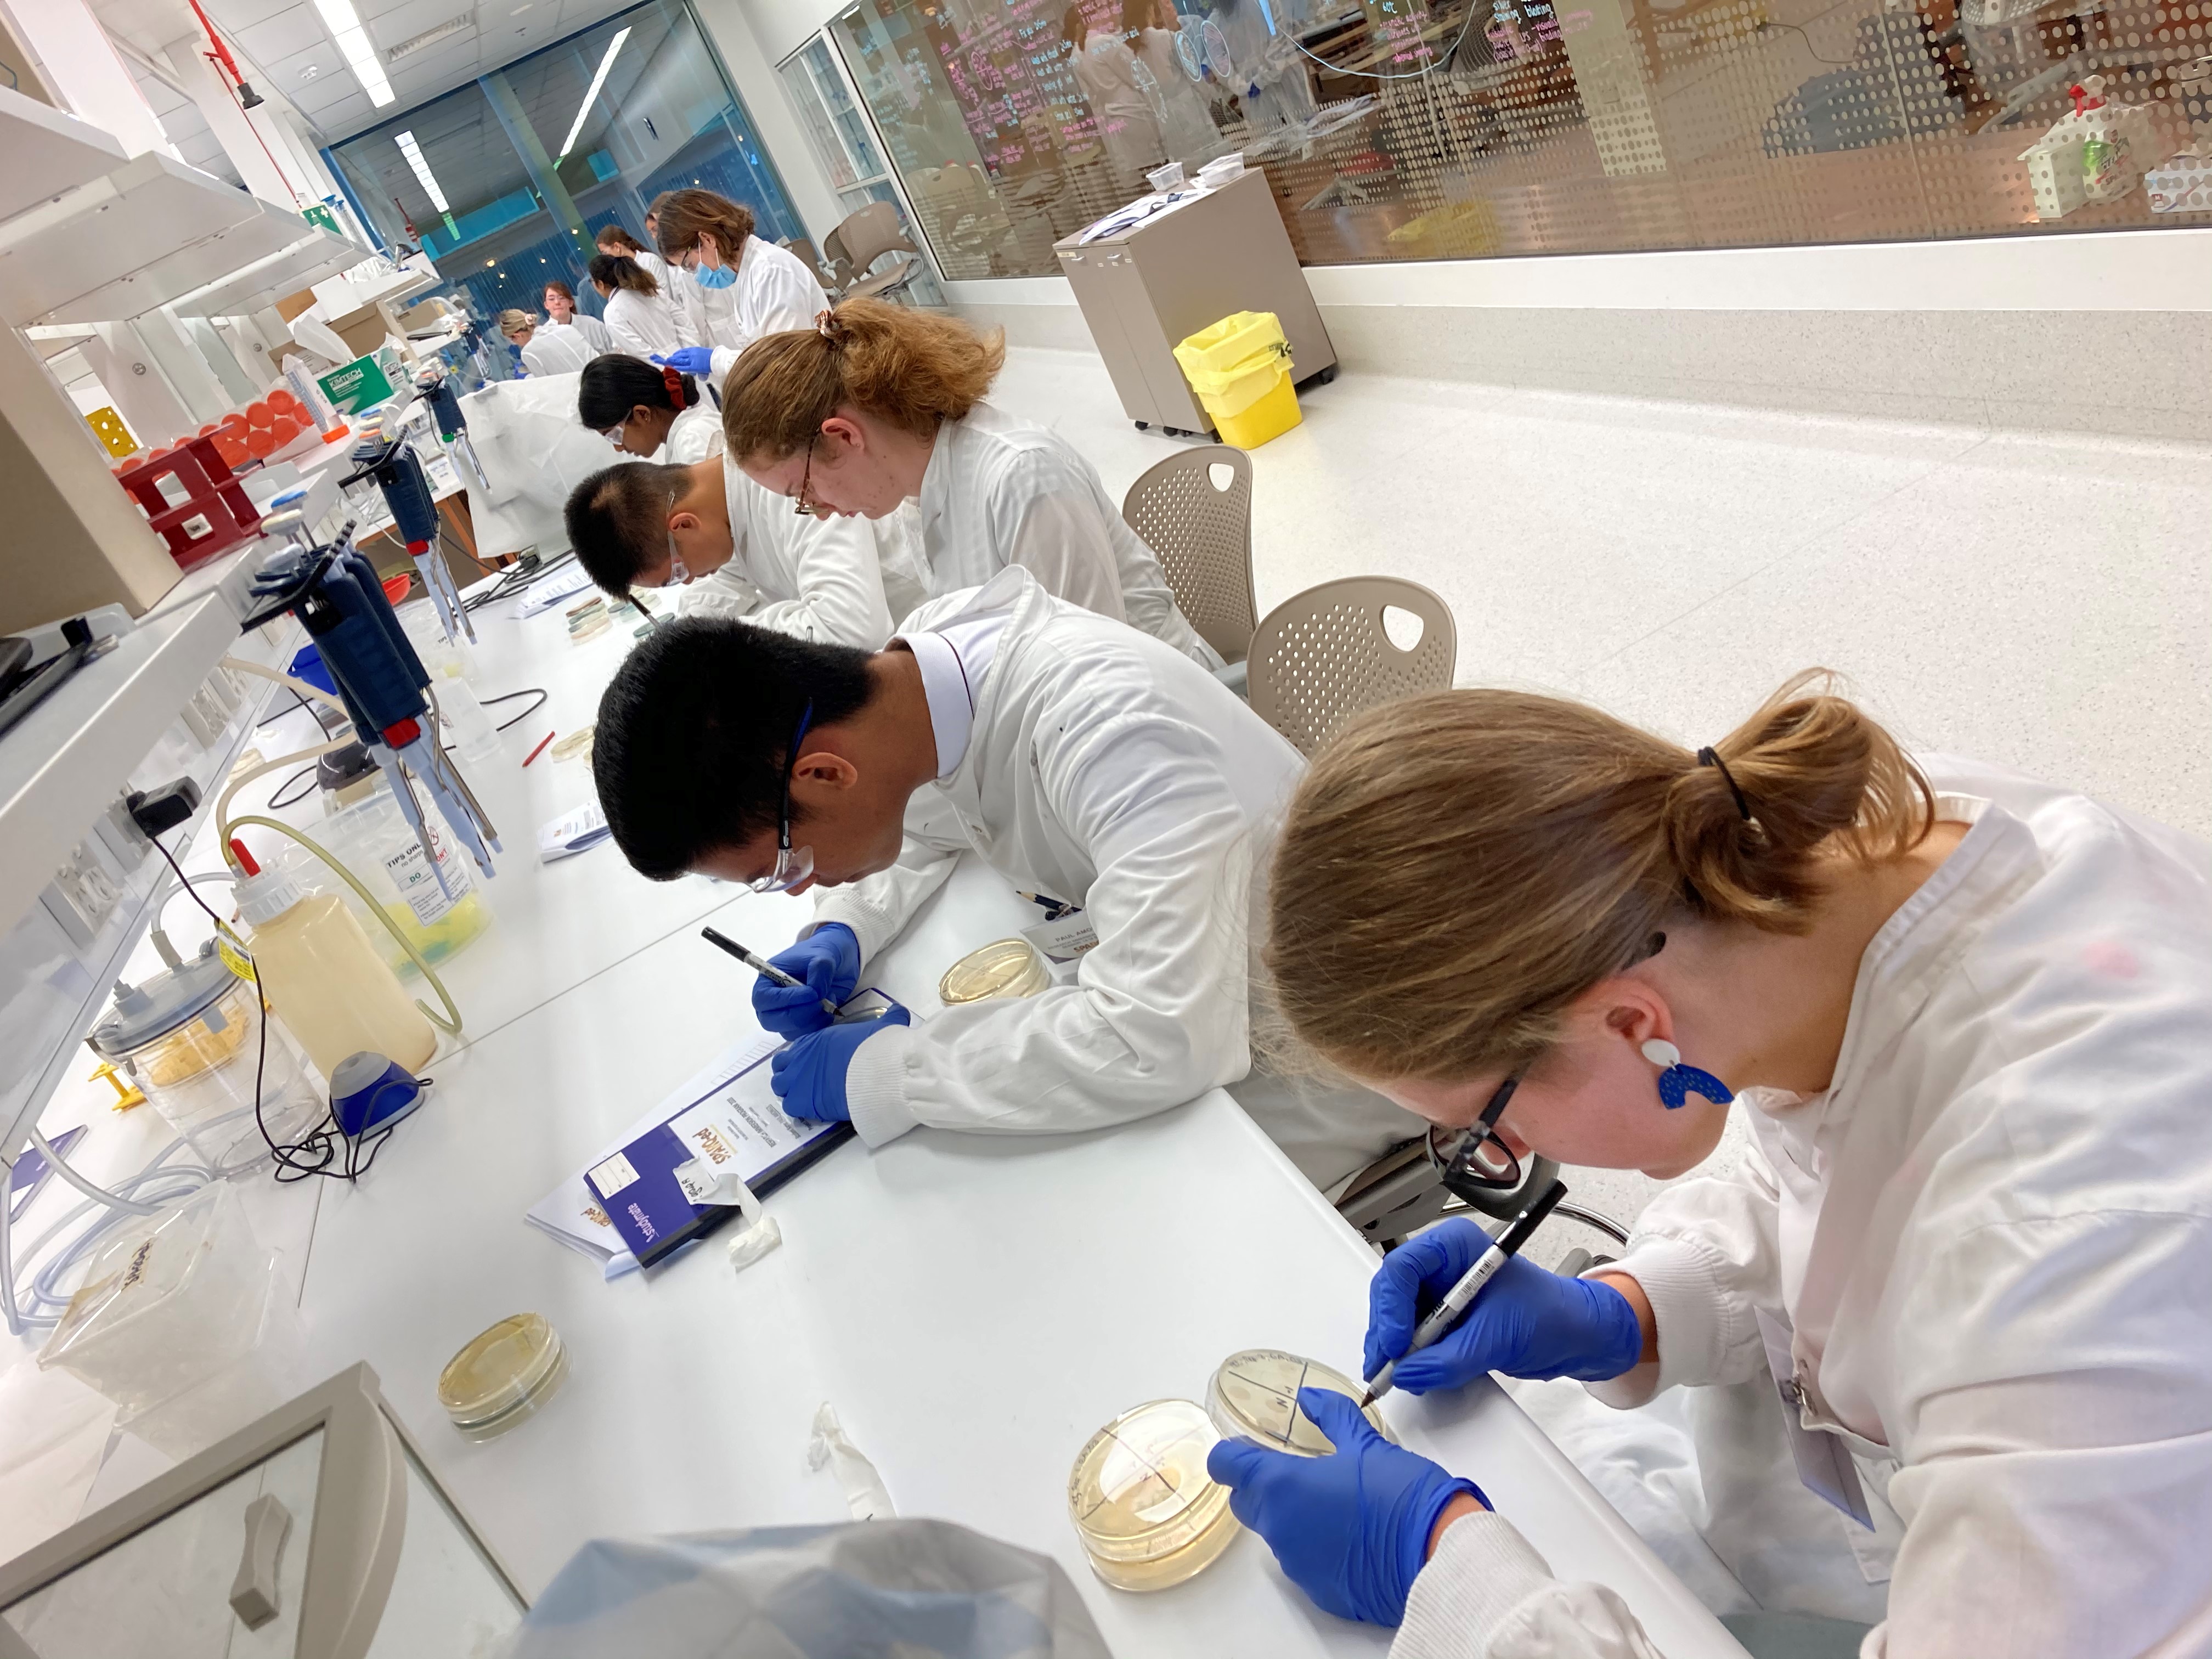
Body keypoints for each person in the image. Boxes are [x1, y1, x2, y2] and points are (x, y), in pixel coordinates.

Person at [1209, 675, 2212, 1656]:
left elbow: (1969, 1231)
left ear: (1629, 1022)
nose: (1505, 1160)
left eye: (1480, 1125)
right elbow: (1847, 1162)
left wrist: (1454, 1579)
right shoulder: (1830, 874)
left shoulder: (2061, 1236)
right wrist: (1635, 1310)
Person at [589, 565, 1420, 1187]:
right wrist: (844, 926)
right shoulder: (914, 688)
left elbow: (1159, 1042)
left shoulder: (1108, 728)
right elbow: (925, 821)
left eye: (785, 866)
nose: (802, 885)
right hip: (1200, 1009)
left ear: (824, 775)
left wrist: (889, 1069)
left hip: (1320, 1064)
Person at [723, 301, 1221, 670]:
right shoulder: (915, 490)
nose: (821, 511)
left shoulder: (1022, 477)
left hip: (1164, 718)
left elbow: (1095, 671)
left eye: (804, 491)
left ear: (844, 436)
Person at [564, 454, 895, 646]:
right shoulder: (725, 507)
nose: (691, 580)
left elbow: (853, 628)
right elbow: (724, 583)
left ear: (683, 525)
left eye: (678, 574)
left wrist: (723, 647)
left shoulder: (786, 480)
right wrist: (686, 638)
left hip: (916, 627)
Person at [648, 189, 827, 388]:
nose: (696, 276)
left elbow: (786, 360)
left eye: (690, 265)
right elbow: (762, 351)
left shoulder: (770, 271)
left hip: (816, 387)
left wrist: (716, 360)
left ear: (707, 239)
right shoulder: (744, 275)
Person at [1064, 4, 1165, 193]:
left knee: (1146, 183)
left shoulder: (1079, 51)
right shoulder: (1105, 43)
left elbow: (1092, 96)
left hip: (1117, 118)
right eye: (1113, 6)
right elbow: (1139, 78)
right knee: (1161, 175)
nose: (1118, 11)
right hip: (1137, 115)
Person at [577, 354, 721, 464]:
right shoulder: (686, 434)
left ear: (642, 414)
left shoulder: (691, 441)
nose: (618, 448)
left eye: (614, 435)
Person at [1131, 0, 1221, 162]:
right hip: (1189, 108)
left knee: (1187, 165)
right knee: (1212, 159)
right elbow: (1193, 74)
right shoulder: (1166, 36)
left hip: (1166, 118)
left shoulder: (1135, 47)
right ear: (1151, 10)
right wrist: (1209, 97)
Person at [587, 252, 684, 362]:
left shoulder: (612, 311)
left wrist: (673, 367)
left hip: (666, 370)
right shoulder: (648, 290)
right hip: (685, 355)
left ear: (600, 284)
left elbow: (638, 352)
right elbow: (683, 322)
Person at [500, 309, 595, 377]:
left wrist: (528, 378)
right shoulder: (566, 328)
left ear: (517, 336)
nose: (515, 344)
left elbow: (547, 385)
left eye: (513, 340)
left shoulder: (528, 352)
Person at [541, 280, 614, 352]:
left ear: (571, 303)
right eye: (551, 299)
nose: (557, 302)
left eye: (561, 298)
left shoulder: (593, 325)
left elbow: (614, 350)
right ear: (546, 305)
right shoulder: (544, 337)